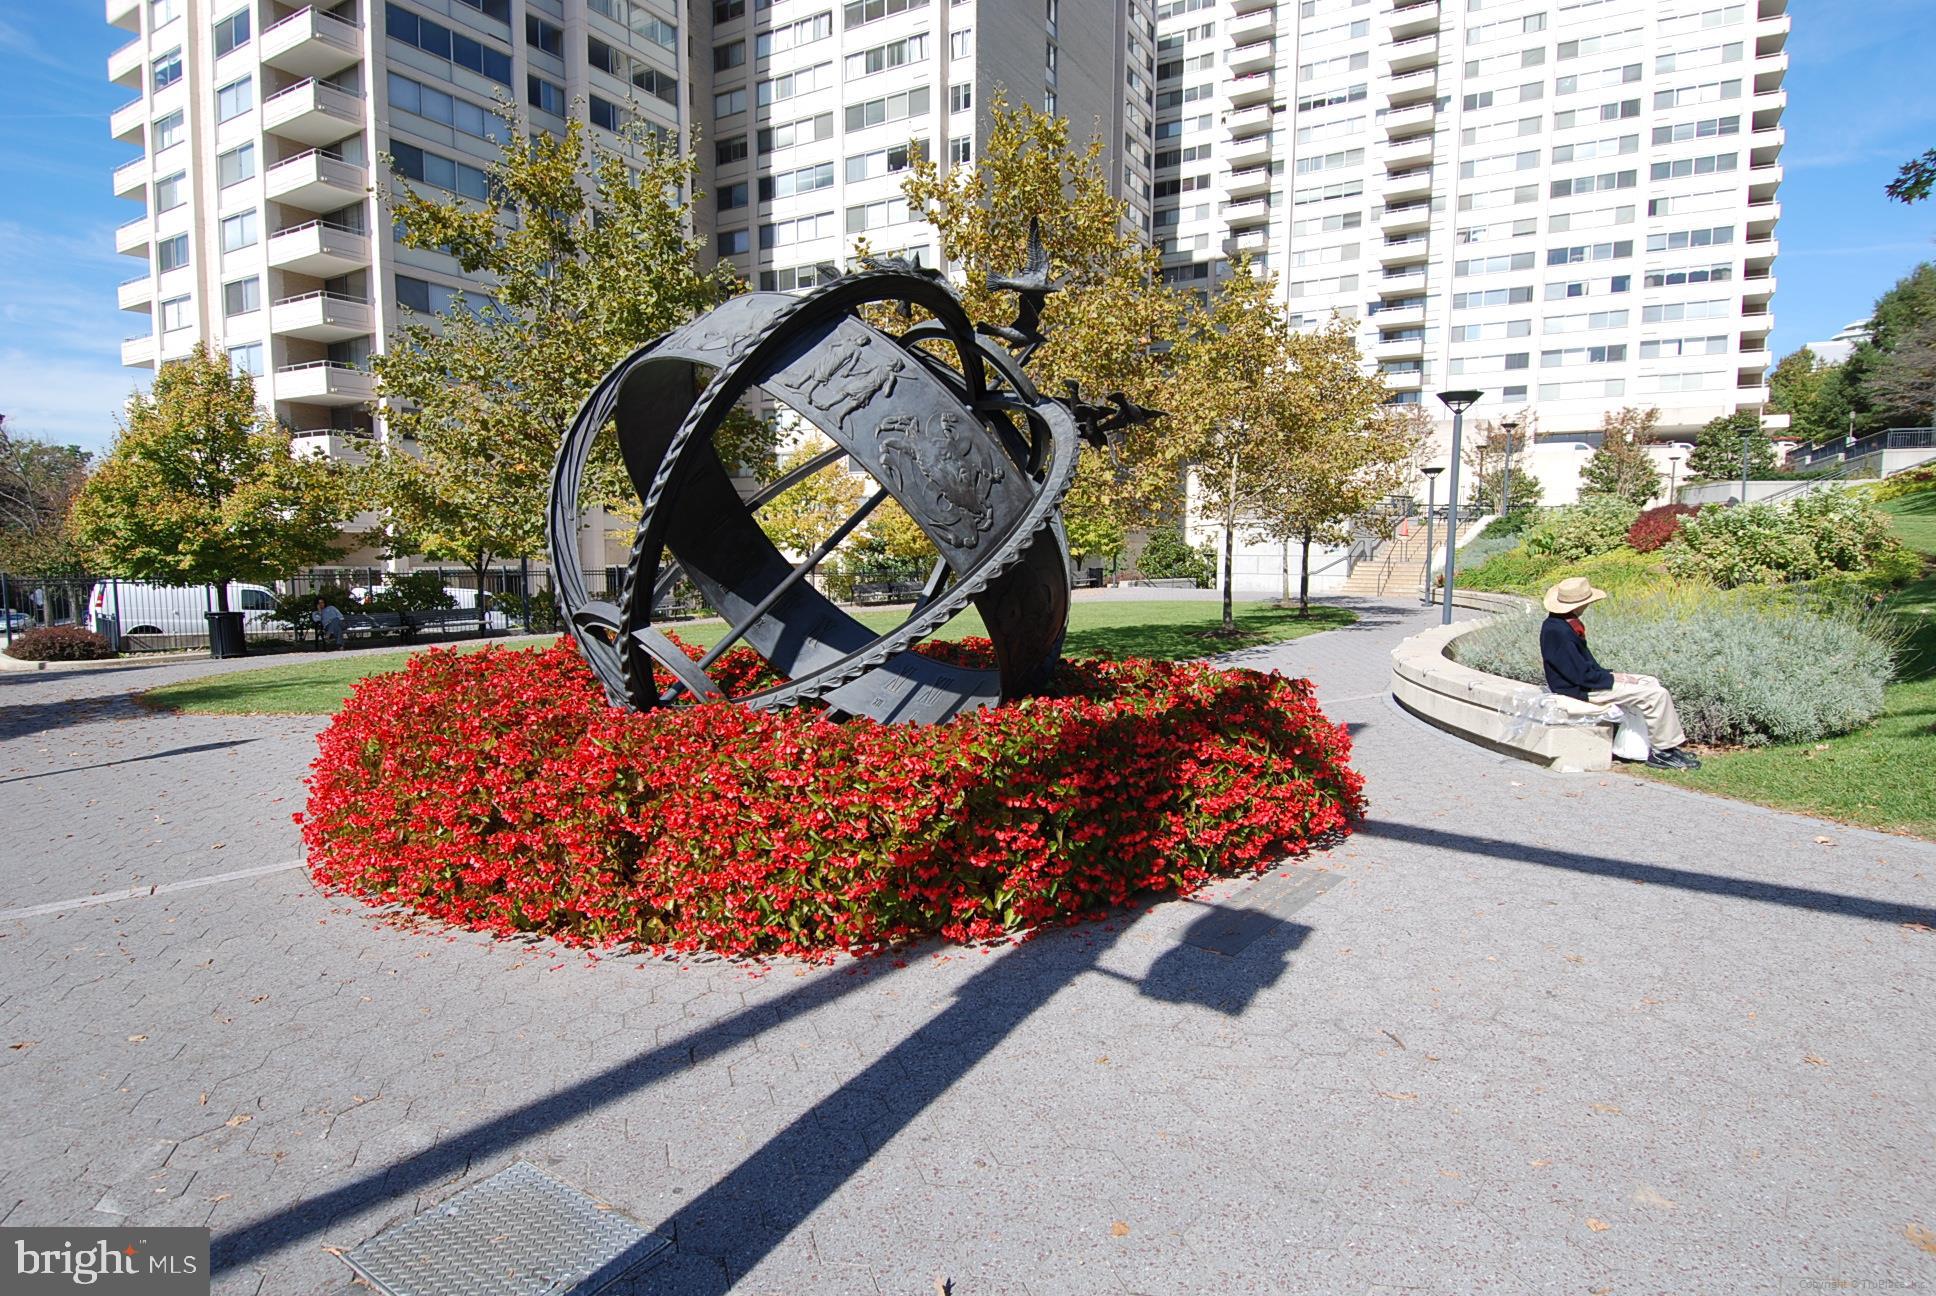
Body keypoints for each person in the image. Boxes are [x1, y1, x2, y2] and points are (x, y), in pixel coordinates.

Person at [1539, 576, 1700, 771]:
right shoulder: (1559, 631)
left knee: (1649, 681)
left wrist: (1616, 676)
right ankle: (1663, 752)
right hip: (1579, 689)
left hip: (1586, 682)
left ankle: (1648, 745)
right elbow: (1580, 676)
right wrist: (1615, 679)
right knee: (1657, 695)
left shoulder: (1563, 624)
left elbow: (1583, 667)